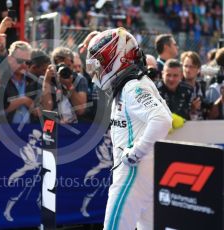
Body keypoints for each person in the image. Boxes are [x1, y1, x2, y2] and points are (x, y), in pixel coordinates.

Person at [86, 27, 172, 230]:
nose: (97, 71)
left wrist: (135, 153)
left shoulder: (131, 87)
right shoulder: (134, 83)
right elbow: (165, 115)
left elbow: (162, 120)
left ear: (118, 59)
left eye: (102, 64)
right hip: (145, 173)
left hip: (131, 174)